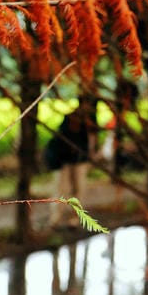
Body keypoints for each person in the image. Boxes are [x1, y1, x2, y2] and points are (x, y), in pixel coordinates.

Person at [50, 96, 98, 225]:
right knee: (62, 188)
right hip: (65, 160)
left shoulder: (90, 121)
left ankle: (75, 218)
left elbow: (92, 139)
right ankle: (57, 217)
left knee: (79, 188)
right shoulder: (69, 118)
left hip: (80, 160)